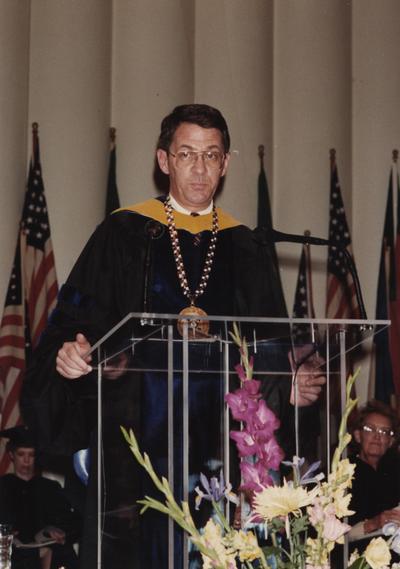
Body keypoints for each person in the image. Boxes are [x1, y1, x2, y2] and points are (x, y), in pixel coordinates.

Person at [22, 104, 325, 568]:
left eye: (211, 155)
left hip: (221, 444)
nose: (199, 167)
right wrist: (72, 354)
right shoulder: (123, 234)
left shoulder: (246, 247)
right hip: (134, 439)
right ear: (164, 160)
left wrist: (290, 387)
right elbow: (72, 325)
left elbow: (268, 348)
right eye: (187, 153)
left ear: (226, 163)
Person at [0, 425, 80, 569]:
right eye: (21, 454)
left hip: (48, 556)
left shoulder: (50, 488)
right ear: (11, 455)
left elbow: (70, 522)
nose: (26, 461)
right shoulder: (3, 486)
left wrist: (54, 531)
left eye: (31, 455)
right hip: (12, 556)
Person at [348, 400, 400, 548]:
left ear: (390, 441)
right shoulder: (342, 473)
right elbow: (336, 534)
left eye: (384, 432)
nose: (377, 437)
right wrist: (374, 523)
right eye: (370, 429)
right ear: (358, 436)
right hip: (358, 557)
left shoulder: (395, 469)